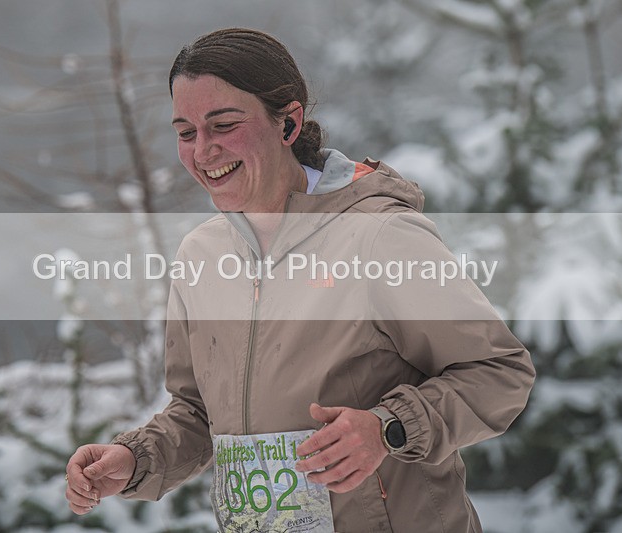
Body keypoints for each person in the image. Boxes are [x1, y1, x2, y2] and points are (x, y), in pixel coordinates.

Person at [65, 27, 535, 532]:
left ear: (288, 123)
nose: (202, 151)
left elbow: (498, 372)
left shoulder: (377, 235)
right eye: (186, 132)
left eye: (223, 125)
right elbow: (200, 412)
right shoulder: (201, 255)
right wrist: (136, 458)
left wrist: (387, 428)